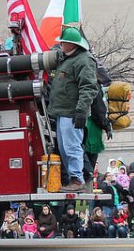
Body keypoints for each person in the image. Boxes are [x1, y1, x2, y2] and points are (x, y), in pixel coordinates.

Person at [47, 27, 98, 193]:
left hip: (72, 112)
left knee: (71, 147)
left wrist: (81, 110)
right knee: (64, 148)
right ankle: (74, 179)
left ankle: (77, 180)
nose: (60, 44)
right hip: (64, 112)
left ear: (71, 44)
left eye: (62, 42)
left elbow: (88, 87)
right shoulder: (69, 59)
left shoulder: (84, 60)